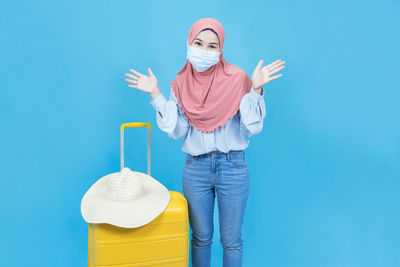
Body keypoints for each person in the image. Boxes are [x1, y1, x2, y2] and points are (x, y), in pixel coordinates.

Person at [124, 17, 285, 267]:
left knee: (231, 240)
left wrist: (255, 91)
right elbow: (177, 130)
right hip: (195, 168)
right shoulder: (181, 84)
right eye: (198, 43)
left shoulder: (239, 79)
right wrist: (156, 95)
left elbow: (250, 128)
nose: (204, 51)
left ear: (221, 50)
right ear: (189, 44)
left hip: (232, 167)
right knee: (200, 238)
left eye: (212, 46)